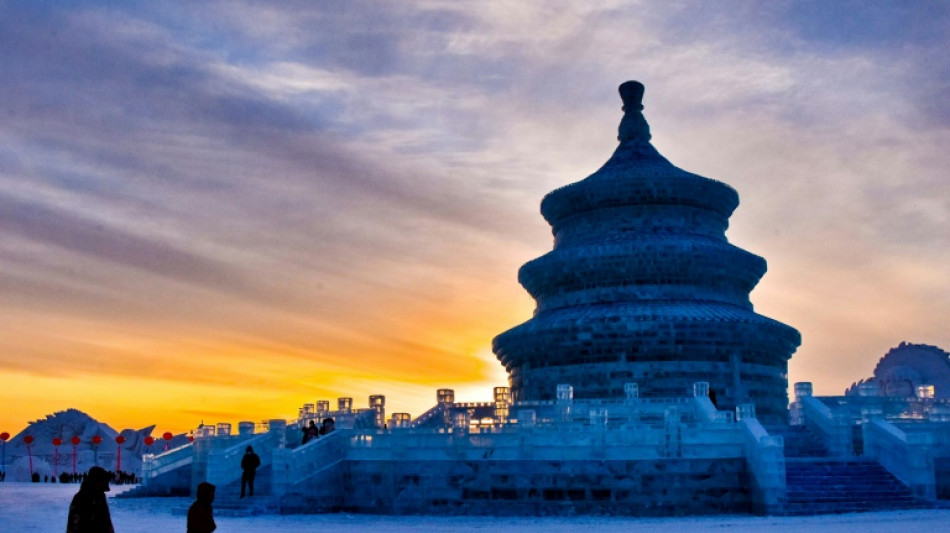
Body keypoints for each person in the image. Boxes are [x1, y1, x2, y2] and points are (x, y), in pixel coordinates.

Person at [66, 466, 114, 533]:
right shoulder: (80, 498)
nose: (103, 489)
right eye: (102, 483)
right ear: (95, 482)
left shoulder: (100, 497)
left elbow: (107, 521)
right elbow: (73, 527)